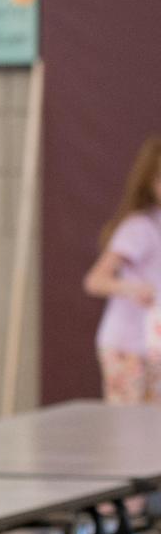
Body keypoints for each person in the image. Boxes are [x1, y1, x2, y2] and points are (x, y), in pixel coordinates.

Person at [83, 136, 161, 404]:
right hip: (128, 346)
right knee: (129, 422)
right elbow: (95, 280)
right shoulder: (140, 227)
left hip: (154, 347)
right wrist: (132, 289)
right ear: (150, 183)